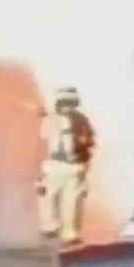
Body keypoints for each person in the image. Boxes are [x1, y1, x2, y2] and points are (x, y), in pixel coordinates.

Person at [38, 86, 95, 245]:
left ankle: (71, 236)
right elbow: (40, 146)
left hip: (73, 166)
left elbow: (88, 145)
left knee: (72, 204)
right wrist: (39, 173)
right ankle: (51, 232)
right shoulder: (48, 121)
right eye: (63, 102)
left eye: (70, 103)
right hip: (52, 165)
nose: (67, 107)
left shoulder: (82, 121)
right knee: (49, 203)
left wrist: (84, 167)